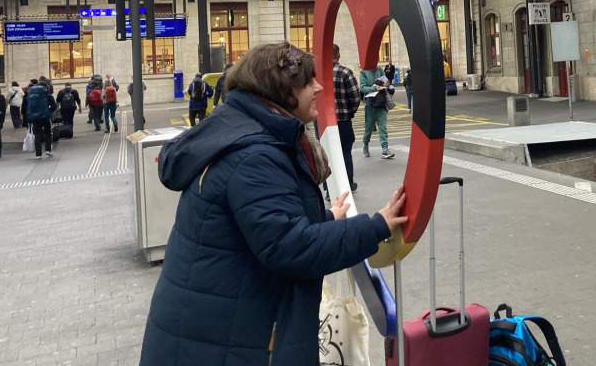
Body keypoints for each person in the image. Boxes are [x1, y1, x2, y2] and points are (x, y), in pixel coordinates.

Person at [139, 42, 407, 366]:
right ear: (281, 90)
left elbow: (260, 222)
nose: (319, 87)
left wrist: (324, 217)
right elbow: (291, 247)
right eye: (307, 81)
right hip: (224, 342)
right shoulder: (254, 155)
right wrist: (375, 226)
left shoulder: (241, 130)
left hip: (209, 328)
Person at [333, 44, 362, 191]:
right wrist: (349, 112)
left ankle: (330, 189)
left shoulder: (317, 73)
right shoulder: (345, 72)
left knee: (327, 154)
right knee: (345, 152)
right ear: (338, 54)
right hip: (343, 120)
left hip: (324, 123)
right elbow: (356, 98)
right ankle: (348, 184)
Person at [360, 64, 394, 159]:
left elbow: (387, 83)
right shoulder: (363, 72)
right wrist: (374, 88)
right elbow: (362, 87)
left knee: (382, 127)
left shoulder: (379, 70)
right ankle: (365, 145)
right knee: (369, 128)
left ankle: (385, 149)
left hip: (381, 103)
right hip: (370, 104)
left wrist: (386, 85)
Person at [22, 81, 57, 159]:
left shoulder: (30, 95)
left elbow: (25, 106)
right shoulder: (47, 95)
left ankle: (38, 154)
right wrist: (49, 111)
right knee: (48, 132)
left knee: (37, 134)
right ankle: (48, 150)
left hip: (34, 117)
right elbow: (54, 106)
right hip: (45, 116)